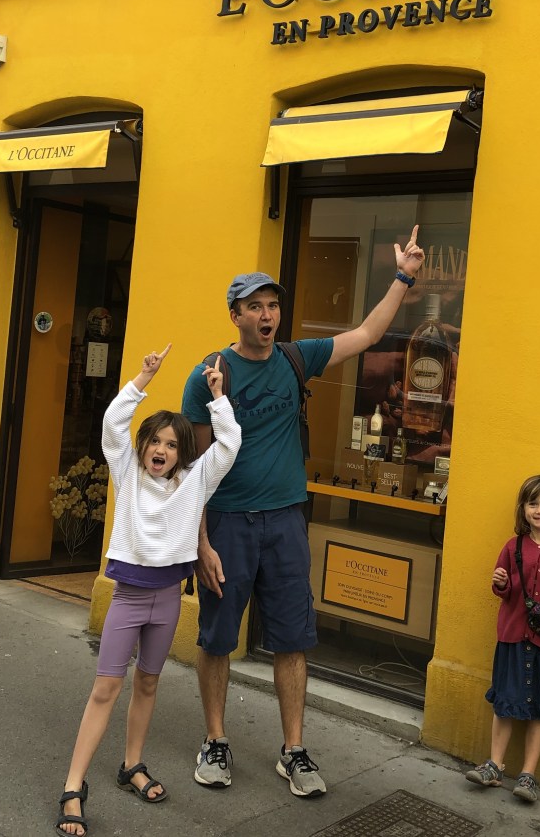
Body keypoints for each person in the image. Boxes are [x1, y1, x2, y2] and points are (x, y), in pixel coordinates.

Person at [180, 226, 426, 798]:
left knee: (293, 639)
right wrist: (201, 543)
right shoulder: (208, 375)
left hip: (286, 520)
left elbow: (366, 333)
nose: (267, 315)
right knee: (217, 637)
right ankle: (215, 740)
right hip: (230, 524)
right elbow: (193, 471)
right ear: (235, 315)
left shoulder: (297, 359)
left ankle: (293, 750)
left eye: (273, 306)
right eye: (255, 307)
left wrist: (403, 277)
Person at [56, 347, 240, 837]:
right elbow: (114, 424)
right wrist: (143, 377)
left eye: (173, 444)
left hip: (168, 599)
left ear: (183, 453)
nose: (162, 450)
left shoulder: (194, 482)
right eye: (155, 442)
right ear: (142, 447)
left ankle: (131, 764)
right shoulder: (127, 473)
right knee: (105, 688)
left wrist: (218, 397)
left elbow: (228, 446)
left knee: (149, 683)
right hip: (130, 596)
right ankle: (73, 785)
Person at [464, 474, 540, 805]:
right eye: (533, 503)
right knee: (505, 702)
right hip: (512, 637)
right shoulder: (512, 546)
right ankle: (495, 765)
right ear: (523, 509)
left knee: (539, 710)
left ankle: (529, 774)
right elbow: (502, 589)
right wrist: (501, 582)